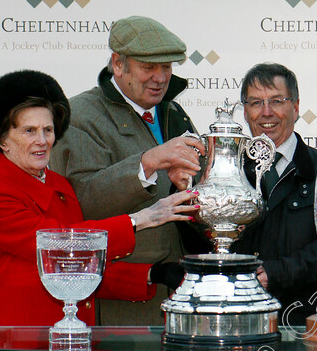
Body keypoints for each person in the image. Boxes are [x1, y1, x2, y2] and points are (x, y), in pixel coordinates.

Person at [0, 70, 199, 327]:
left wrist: (153, 274)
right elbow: (58, 244)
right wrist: (140, 219)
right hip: (22, 342)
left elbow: (79, 269)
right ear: (2, 139)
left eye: (48, 130)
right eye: (29, 131)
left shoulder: (59, 185)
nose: (42, 141)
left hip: (72, 340)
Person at [49, 16, 208, 325]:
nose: (160, 78)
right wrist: (146, 163)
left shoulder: (173, 112)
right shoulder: (80, 115)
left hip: (178, 290)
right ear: (117, 64)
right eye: (149, 67)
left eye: (166, 67)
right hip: (123, 298)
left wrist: (183, 186)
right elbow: (80, 203)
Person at [230, 63, 317, 327]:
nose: (266, 112)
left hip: (309, 320)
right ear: (245, 112)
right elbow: (201, 242)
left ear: (295, 107)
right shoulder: (227, 172)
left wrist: (275, 273)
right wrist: (184, 193)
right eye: (256, 102)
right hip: (238, 320)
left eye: (277, 101)